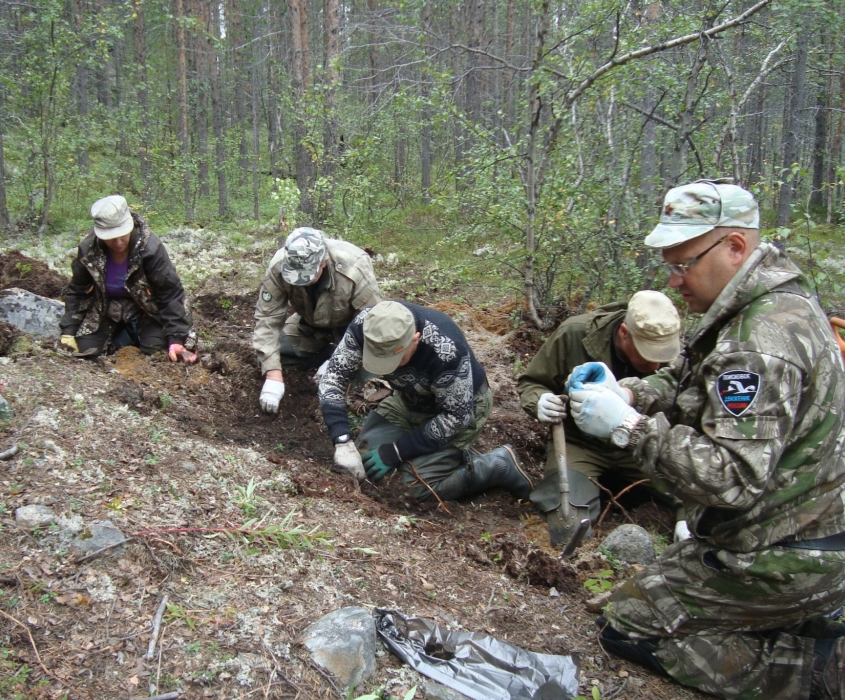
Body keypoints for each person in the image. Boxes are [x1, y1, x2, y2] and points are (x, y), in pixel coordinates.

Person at [567, 180, 845, 700]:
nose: (673, 281)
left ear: (735, 247)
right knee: (644, 593)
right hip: (798, 533)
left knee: (629, 625)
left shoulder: (759, 341)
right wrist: (631, 392)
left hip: (784, 553)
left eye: (684, 265)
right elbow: (699, 376)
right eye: (669, 266)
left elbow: (731, 478)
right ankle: (804, 623)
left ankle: (822, 675)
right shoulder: (766, 300)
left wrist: (629, 429)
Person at [319, 300, 533, 502]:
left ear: (415, 338)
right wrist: (342, 440)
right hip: (409, 398)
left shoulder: (445, 350)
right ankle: (442, 455)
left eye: (396, 360)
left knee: (409, 487)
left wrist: (396, 451)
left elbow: (457, 417)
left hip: (461, 410)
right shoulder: (367, 327)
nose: (387, 369)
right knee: (365, 463)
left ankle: (496, 465)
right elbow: (333, 379)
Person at [517, 291, 682, 539]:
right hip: (581, 443)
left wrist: (688, 518)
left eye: (662, 358)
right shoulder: (575, 334)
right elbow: (532, 382)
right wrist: (540, 401)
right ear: (625, 333)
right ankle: (593, 490)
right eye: (649, 356)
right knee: (567, 526)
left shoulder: (674, 355)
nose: (657, 367)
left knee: (698, 497)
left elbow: (682, 399)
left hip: (642, 440)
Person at [254, 227, 382, 414]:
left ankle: (332, 356)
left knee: (371, 376)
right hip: (309, 326)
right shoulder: (280, 265)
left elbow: (371, 324)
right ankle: (322, 354)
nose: (301, 282)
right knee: (270, 355)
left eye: (307, 275)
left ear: (324, 262)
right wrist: (273, 375)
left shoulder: (354, 268)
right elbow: (267, 319)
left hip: (352, 332)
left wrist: (339, 361)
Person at [59, 195, 196, 362]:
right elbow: (78, 290)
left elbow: (170, 293)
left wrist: (175, 338)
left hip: (147, 311)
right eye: (110, 237)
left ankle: (137, 337)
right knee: (86, 352)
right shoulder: (89, 250)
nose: (117, 243)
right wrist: (68, 331)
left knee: (156, 353)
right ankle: (121, 338)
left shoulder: (150, 249)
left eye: (122, 234)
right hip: (105, 309)